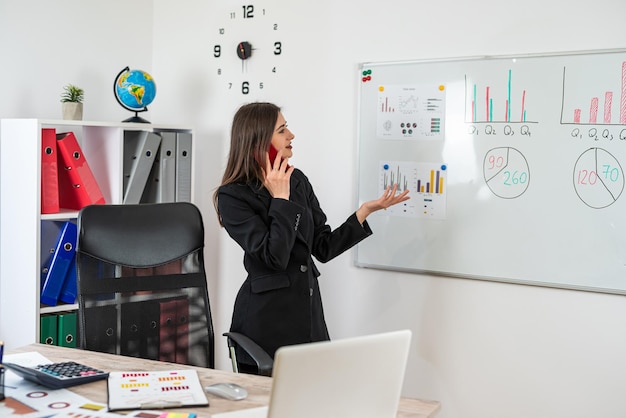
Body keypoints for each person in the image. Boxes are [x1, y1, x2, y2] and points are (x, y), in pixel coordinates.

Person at [213, 102, 410, 373]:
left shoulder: (298, 181)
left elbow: (323, 247)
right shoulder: (233, 196)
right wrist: (280, 199)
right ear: (259, 139)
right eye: (282, 130)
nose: (291, 135)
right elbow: (274, 257)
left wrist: (363, 213)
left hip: (308, 317)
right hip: (265, 326)